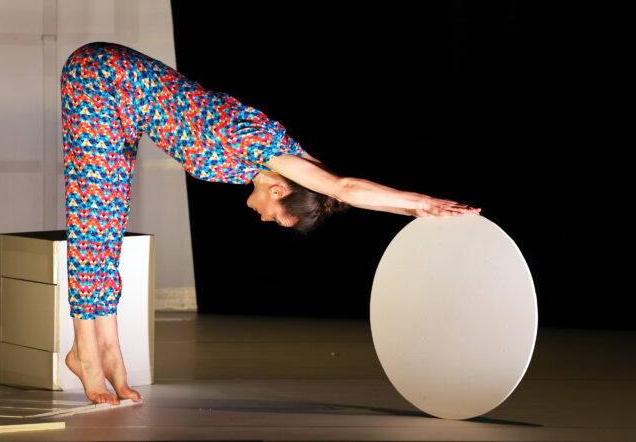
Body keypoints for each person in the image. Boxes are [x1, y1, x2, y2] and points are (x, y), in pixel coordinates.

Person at [61, 42, 480, 405]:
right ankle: (85, 353)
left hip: (121, 100)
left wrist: (409, 214)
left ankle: (110, 352)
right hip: (100, 78)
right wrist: (424, 204)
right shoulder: (262, 147)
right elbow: (344, 187)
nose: (264, 218)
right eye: (275, 218)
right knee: (93, 222)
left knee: (108, 225)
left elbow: (336, 192)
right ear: (278, 191)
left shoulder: (276, 162)